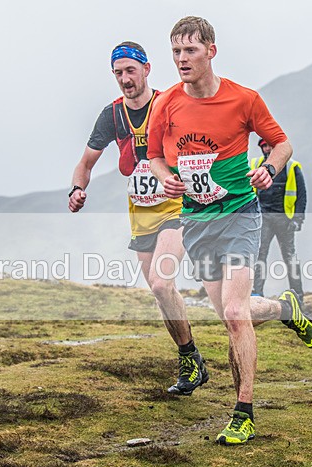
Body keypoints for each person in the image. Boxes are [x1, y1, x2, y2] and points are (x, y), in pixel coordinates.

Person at [148, 17, 312, 446]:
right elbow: (153, 156)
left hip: (241, 214)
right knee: (230, 310)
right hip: (197, 222)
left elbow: (282, 144)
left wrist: (268, 168)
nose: (182, 59)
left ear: (211, 51)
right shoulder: (166, 103)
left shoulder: (244, 99)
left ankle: (243, 412)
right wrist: (166, 176)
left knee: (235, 314)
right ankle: (284, 309)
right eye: (175, 52)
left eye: (190, 51)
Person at [69, 41, 208, 397]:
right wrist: (76, 190)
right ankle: (191, 359)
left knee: (162, 283)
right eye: (118, 73)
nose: (125, 79)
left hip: (177, 208)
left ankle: (190, 359)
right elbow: (86, 163)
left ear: (147, 69)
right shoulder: (112, 115)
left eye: (131, 70)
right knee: (162, 294)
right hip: (141, 215)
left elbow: (204, 139)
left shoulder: (169, 103)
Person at [250, 138, 308, 304]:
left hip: (285, 220)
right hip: (263, 219)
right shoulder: (255, 164)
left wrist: (298, 219)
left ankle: (298, 296)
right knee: (260, 255)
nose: (267, 149)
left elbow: (301, 196)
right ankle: (257, 294)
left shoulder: (292, 167)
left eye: (270, 146)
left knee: (289, 257)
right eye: (264, 146)